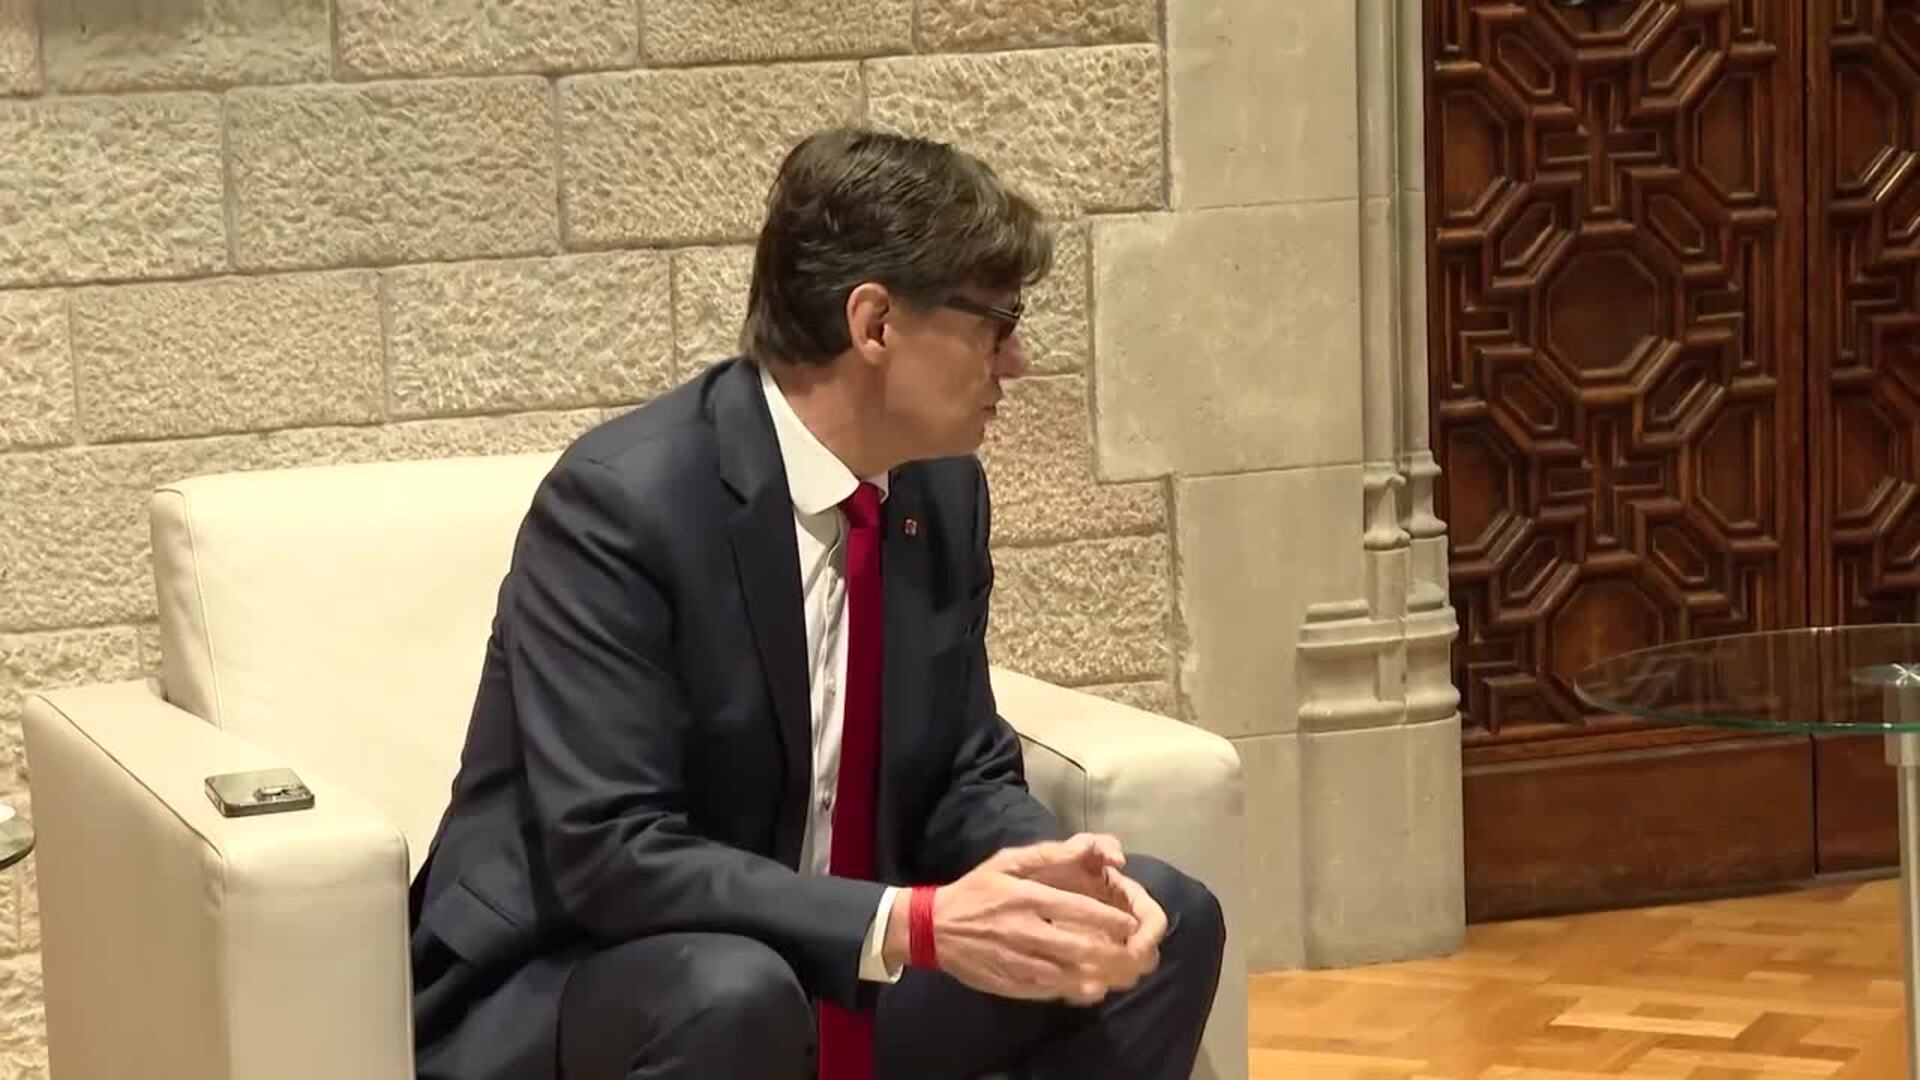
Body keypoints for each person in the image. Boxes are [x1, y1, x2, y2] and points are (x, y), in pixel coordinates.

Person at [407, 126, 1226, 1080]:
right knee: (735, 993)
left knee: (1166, 922)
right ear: (874, 324)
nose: (1017, 362)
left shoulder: (938, 490)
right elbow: (612, 852)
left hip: (822, 963)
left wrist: (1048, 879)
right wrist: (907, 922)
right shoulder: (621, 507)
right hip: (586, 977)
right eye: (996, 325)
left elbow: (962, 773)